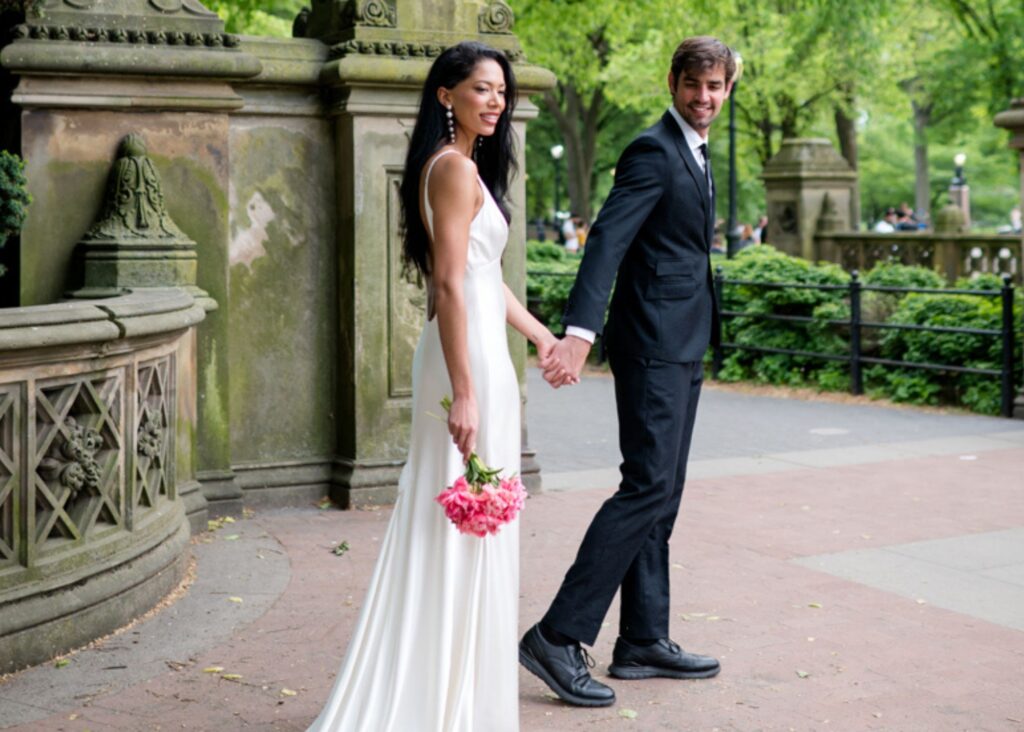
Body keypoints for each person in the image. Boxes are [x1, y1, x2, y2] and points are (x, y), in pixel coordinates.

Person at [307, 41, 557, 732]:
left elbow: (483, 278)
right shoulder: (450, 169)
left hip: (483, 354)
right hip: (462, 360)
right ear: (445, 95)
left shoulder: (465, 169)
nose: (495, 101)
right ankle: (433, 702)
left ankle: (460, 695)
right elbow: (447, 283)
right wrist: (467, 391)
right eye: (481, 88)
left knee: (475, 519)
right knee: (448, 522)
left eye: (501, 91)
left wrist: (538, 336)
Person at [519, 35, 730, 708]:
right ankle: (557, 636)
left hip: (683, 341)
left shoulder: (694, 153)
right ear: (672, 82)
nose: (705, 97)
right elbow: (607, 238)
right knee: (645, 486)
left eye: (716, 87)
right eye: (694, 84)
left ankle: (642, 638)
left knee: (663, 493)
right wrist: (580, 332)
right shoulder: (652, 150)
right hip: (652, 344)